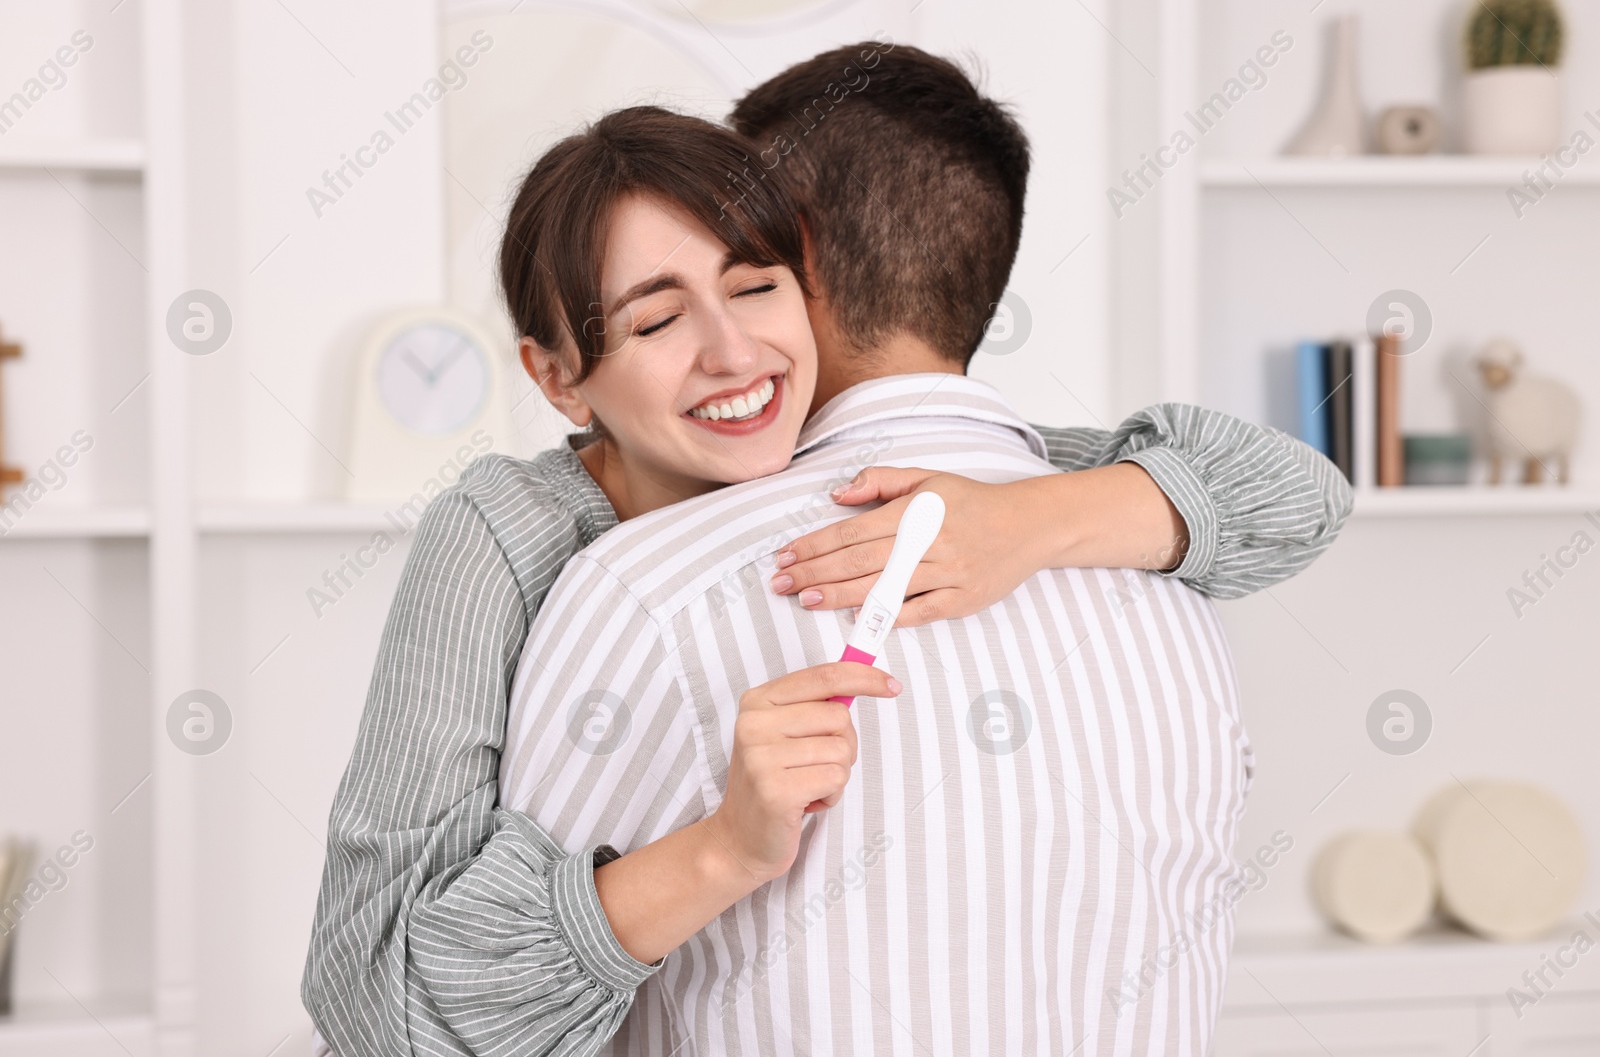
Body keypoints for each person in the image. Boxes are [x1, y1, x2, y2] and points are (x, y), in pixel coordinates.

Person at [303, 69, 1349, 1057]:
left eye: (759, 285)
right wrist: (720, 848)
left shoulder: (926, 478)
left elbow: (1301, 492)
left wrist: (1028, 524)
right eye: (658, 318)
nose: (732, 351)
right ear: (559, 379)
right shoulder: (518, 534)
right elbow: (373, 998)